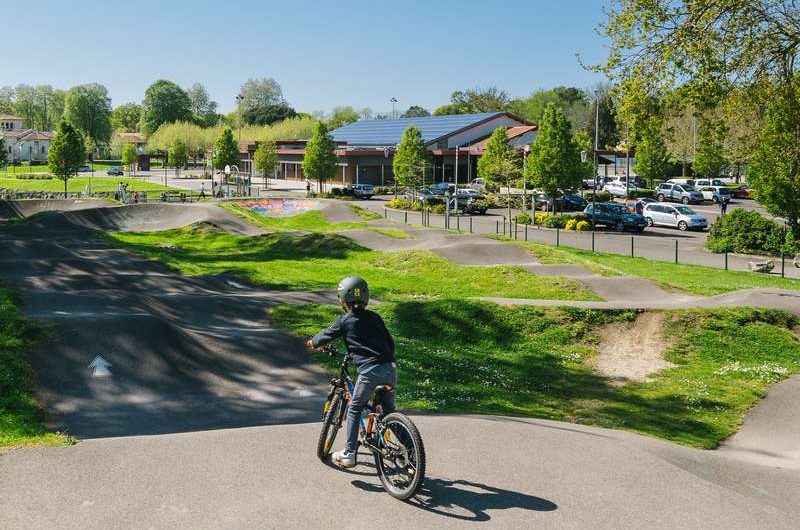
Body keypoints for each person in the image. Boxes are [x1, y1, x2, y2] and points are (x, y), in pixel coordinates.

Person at [306, 276, 396, 469]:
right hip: (390, 368)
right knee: (388, 412)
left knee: (355, 408)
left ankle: (349, 453)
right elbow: (390, 343)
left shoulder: (344, 321)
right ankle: (412, 455)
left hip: (370, 371)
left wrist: (313, 342)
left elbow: (325, 336)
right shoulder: (375, 317)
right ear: (366, 298)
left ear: (343, 300)